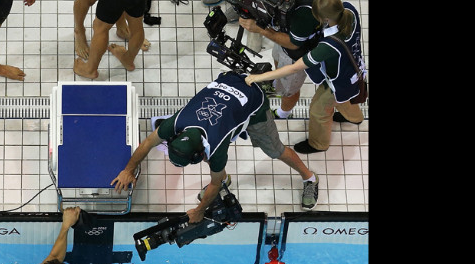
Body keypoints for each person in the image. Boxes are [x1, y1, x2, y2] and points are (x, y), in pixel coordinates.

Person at [111, 71, 320, 215]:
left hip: (253, 102)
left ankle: (310, 179)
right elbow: (147, 143)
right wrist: (128, 170)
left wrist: (199, 211)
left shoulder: (216, 145)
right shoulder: (176, 122)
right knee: (216, 168)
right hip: (228, 83)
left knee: (276, 151)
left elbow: (212, 182)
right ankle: (225, 179)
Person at [242, 0, 365, 154]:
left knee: (318, 110)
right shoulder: (350, 10)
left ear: (324, 19)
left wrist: (258, 77)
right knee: (346, 96)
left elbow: (294, 68)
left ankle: (318, 144)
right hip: (354, 69)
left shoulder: (329, 46)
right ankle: (355, 118)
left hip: (338, 81)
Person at [238, 0, 332, 120]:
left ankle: (283, 113)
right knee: (277, 59)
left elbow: (293, 43)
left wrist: (259, 29)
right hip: (285, 35)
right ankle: (276, 82)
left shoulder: (306, 9)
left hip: (296, 53)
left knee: (289, 90)